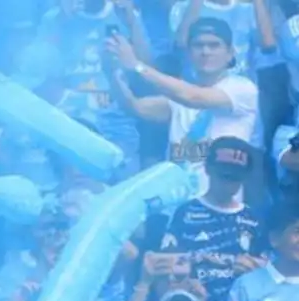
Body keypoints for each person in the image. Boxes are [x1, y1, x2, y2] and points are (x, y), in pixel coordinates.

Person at [109, 18, 259, 190]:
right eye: (198, 45)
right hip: (176, 200)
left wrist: (136, 65)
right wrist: (111, 70)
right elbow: (135, 107)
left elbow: (194, 98)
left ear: (230, 53)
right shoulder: (180, 92)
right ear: (189, 52)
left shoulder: (242, 88)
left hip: (218, 202)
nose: (205, 51)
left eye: (214, 45)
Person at [157, 136, 263, 301]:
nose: (228, 182)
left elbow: (266, 274)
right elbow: (163, 270)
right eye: (223, 175)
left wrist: (255, 270)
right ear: (207, 169)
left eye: (235, 177)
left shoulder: (253, 218)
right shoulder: (185, 212)